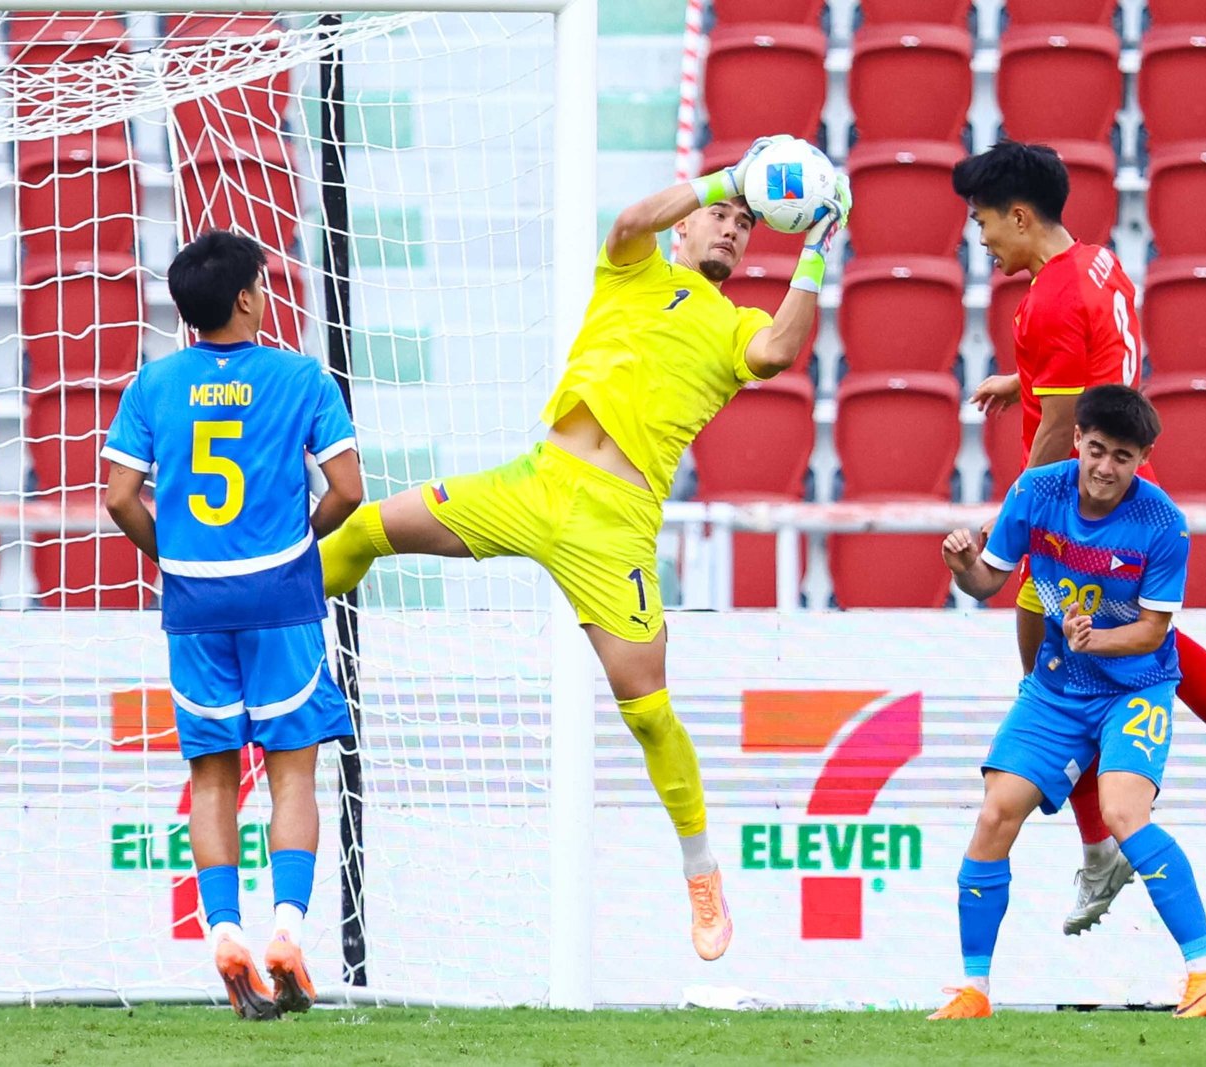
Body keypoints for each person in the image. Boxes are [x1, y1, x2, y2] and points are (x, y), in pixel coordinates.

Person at [315, 138, 849, 960]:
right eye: (720, 217)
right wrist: (728, 178)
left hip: (616, 525)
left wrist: (814, 251)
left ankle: (701, 870)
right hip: (538, 482)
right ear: (685, 227)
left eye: (746, 225)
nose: (732, 230)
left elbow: (779, 350)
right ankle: (275, 621)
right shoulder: (633, 267)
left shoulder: (736, 324)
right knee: (365, 529)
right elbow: (632, 219)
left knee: (648, 708)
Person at [953, 140, 1206, 935]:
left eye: (983, 223)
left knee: (1056, 670)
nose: (980, 240)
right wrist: (1025, 381)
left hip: (1078, 503)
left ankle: (1099, 846)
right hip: (1122, 478)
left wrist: (1027, 506)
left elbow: (1072, 418)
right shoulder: (1097, 265)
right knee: (1124, 649)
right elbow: (1087, 369)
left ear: (1018, 214)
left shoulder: (1047, 301)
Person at [103, 230, 364, 1019]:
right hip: (279, 596)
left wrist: (176, 559)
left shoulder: (153, 383)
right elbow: (348, 490)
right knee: (292, 770)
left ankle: (224, 934)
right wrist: (295, 547)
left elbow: (119, 498)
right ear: (250, 295)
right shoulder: (301, 376)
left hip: (195, 602)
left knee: (212, 776)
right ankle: (286, 931)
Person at [934, 384, 1206, 1020]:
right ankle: (973, 991)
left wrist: (1093, 638)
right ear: (1076, 439)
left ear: (1143, 458)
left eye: (1122, 457)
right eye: (1096, 449)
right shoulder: (1036, 491)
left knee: (1124, 813)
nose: (1105, 468)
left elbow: (1155, 631)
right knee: (995, 815)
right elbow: (988, 580)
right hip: (1055, 686)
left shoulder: (1163, 524)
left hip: (1136, 686)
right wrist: (963, 567)